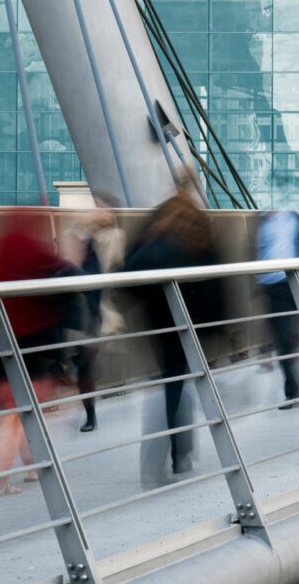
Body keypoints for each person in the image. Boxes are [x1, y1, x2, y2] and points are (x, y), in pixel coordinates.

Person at [123, 177, 220, 488]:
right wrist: (220, 324)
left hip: (158, 315)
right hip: (189, 318)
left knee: (170, 381)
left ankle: (166, 457)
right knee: (180, 384)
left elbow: (130, 264)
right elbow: (214, 275)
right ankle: (180, 454)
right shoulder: (198, 223)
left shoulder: (158, 218)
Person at [0, 212, 80, 496]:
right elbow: (68, 275)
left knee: (16, 407)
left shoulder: (4, 248)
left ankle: (32, 465)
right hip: (30, 339)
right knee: (23, 409)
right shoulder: (29, 248)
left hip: (1, 337)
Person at [57, 202, 127, 433]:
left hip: (90, 315)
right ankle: (85, 407)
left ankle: (90, 414)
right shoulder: (77, 239)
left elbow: (98, 279)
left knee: (85, 365)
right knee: (80, 364)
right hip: (76, 313)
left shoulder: (109, 240)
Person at [255, 209, 299, 409]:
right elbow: (258, 251)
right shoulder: (263, 221)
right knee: (283, 338)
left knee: (286, 337)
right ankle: (292, 379)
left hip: (295, 281)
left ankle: (292, 390)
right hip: (272, 284)